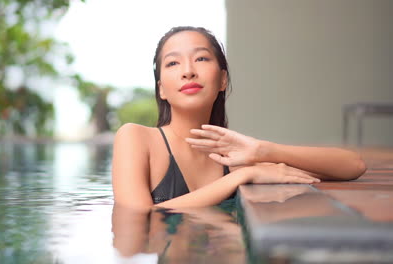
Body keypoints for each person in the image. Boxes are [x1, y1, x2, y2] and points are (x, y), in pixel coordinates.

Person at [112, 26, 366, 210]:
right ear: (161, 89)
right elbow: (136, 217)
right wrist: (239, 178)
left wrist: (263, 150)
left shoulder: (236, 157)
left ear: (222, 79)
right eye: (173, 63)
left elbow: (353, 166)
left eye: (201, 58)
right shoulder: (136, 138)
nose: (188, 71)